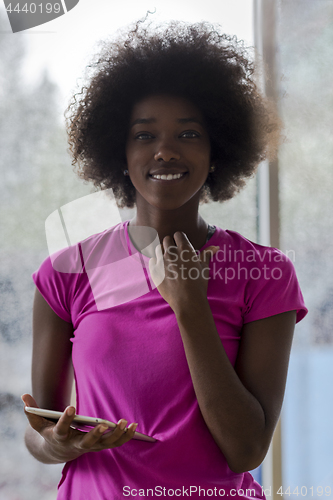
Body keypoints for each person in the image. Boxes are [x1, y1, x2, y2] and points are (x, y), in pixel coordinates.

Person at [22, 14, 308, 500]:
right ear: (119, 149)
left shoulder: (265, 274)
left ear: (219, 150)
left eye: (189, 134)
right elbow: (39, 431)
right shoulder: (66, 273)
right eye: (144, 134)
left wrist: (191, 307)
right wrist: (58, 446)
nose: (166, 152)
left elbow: (246, 450)